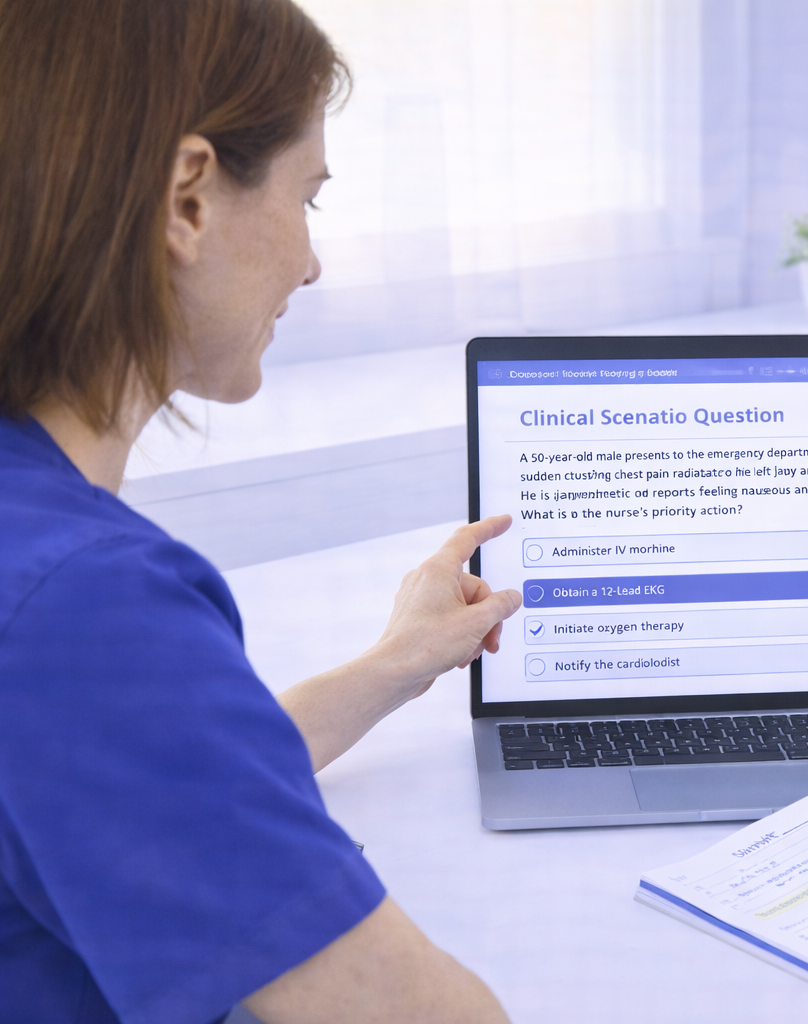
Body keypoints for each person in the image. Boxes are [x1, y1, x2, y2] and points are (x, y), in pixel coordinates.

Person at [0, 2, 522, 1021]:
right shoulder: (86, 605)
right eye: (307, 199)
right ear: (187, 200)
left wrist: (391, 666)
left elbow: (146, 779)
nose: (310, 262)